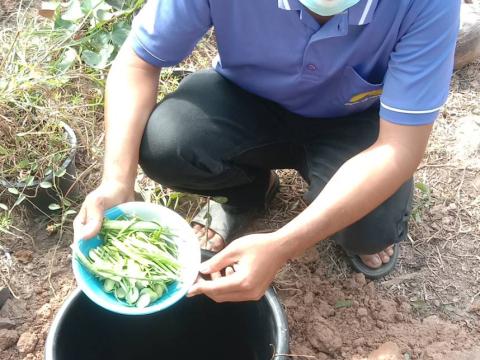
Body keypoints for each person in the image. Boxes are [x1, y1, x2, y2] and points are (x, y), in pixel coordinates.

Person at [73, 0, 461, 302]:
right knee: (168, 143)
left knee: (369, 228)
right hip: (246, 97)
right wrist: (116, 182)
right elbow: (138, 63)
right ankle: (247, 193)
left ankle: (358, 221)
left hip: (354, 119)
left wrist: (283, 245)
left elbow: (399, 146)